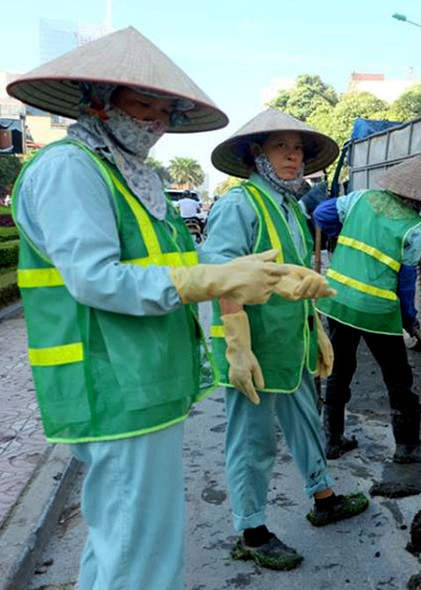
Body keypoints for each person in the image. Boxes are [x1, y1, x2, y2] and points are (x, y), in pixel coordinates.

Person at [6, 27, 311, 590]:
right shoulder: (71, 167)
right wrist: (212, 277)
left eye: (165, 111)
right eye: (144, 105)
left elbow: (171, 261)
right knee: (142, 559)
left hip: (142, 383)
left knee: (125, 547)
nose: (156, 122)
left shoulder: (127, 173)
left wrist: (257, 279)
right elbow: (95, 279)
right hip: (113, 383)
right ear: (97, 100)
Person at [203, 108, 369, 570]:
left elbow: (297, 280)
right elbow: (220, 278)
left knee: (304, 423)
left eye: (297, 150)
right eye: (282, 148)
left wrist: (314, 331)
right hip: (253, 350)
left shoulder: (292, 207)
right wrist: (237, 346)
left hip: (290, 344)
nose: (293, 158)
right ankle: (252, 532)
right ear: (257, 154)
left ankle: (324, 496)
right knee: (252, 441)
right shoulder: (240, 205)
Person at [313, 155, 421, 462]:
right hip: (376, 311)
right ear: (414, 197)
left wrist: (343, 233)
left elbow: (321, 214)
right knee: (398, 377)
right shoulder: (413, 227)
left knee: (339, 371)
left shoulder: (361, 199)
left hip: (337, 301)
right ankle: (407, 446)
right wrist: (409, 318)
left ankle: (332, 440)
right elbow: (406, 283)